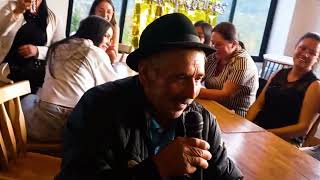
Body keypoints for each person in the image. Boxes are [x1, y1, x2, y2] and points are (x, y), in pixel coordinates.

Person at [56, 13, 243, 179]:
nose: (191, 93)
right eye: (180, 78)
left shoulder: (202, 121)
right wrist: (157, 168)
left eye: (198, 79)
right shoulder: (99, 108)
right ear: (145, 74)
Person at [22, 15, 120, 142]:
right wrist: (112, 61)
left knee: (30, 99)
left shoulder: (56, 48)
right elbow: (113, 86)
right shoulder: (94, 51)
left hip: (41, 127)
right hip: (72, 130)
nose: (109, 42)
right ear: (96, 32)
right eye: (107, 36)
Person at [246, 32, 320, 146]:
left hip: (286, 141)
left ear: (317, 59)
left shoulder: (314, 85)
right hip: (259, 131)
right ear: (295, 48)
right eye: (302, 48)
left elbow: (303, 128)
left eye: (312, 53)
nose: (305, 54)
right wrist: (246, 126)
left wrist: (266, 133)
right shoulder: (278, 74)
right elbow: (258, 105)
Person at [0, 0, 64, 94]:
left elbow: (60, 50)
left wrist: (38, 51)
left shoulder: (52, 18)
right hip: (8, 74)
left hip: (36, 77)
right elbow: (1, 30)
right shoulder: (11, 7)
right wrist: (17, 12)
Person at [198, 22, 258, 117]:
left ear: (233, 44)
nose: (214, 48)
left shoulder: (242, 61)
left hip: (236, 116)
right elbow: (197, 78)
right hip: (213, 107)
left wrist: (194, 90)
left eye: (219, 45)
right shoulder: (214, 57)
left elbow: (224, 95)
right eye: (213, 43)